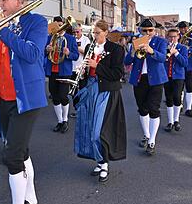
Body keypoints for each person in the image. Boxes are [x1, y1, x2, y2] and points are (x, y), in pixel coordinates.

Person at [0, 0, 48, 204]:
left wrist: (3, 32)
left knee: (12, 156)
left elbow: (31, 54)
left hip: (26, 98)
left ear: (19, 1)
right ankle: (31, 199)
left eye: (3, 0)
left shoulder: (36, 23)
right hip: (3, 97)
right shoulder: (1, 27)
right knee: (21, 151)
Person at [74, 19, 126, 183]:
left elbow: (117, 74)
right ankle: (100, 160)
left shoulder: (116, 49)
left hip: (105, 92)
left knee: (98, 131)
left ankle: (105, 164)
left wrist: (97, 66)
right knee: (89, 127)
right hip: (90, 89)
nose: (95, 36)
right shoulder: (90, 47)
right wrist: (82, 71)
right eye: (94, 33)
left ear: (106, 32)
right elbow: (88, 70)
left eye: (98, 33)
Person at [124, 18, 168, 155]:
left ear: (154, 31)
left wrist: (151, 50)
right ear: (140, 30)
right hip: (140, 79)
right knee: (142, 108)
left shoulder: (161, 41)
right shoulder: (135, 42)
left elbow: (162, 58)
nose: (148, 32)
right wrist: (132, 52)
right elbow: (126, 61)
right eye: (145, 30)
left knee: (154, 109)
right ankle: (146, 134)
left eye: (150, 30)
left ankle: (152, 141)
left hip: (156, 79)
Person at [44, 16, 79, 133]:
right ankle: (59, 121)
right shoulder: (49, 37)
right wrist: (46, 50)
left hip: (64, 71)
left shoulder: (70, 38)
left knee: (63, 96)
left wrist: (68, 53)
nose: (59, 27)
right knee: (54, 96)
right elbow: (43, 54)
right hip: (52, 70)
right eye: (57, 25)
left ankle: (65, 120)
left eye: (60, 25)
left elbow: (76, 56)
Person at [163, 28, 188, 131]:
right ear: (168, 37)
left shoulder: (183, 48)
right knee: (168, 98)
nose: (172, 39)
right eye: (170, 37)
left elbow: (185, 63)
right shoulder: (164, 47)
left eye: (174, 36)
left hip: (178, 76)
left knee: (177, 97)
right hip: (166, 76)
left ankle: (176, 120)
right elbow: (162, 61)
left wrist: (176, 53)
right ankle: (170, 122)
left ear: (178, 36)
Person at [70, 24, 91, 118]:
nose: (75, 34)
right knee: (73, 91)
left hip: (82, 69)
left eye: (77, 32)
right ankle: (76, 109)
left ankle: (83, 109)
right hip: (72, 69)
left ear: (81, 30)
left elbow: (88, 53)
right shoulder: (71, 39)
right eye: (74, 32)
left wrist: (77, 48)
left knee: (82, 90)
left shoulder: (86, 40)